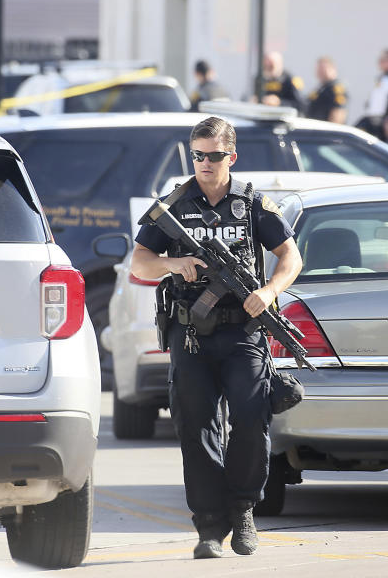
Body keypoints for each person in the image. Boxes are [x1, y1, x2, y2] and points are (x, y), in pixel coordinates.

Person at [131, 116, 302, 559]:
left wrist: (268, 292)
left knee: (251, 418)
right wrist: (174, 264)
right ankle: (209, 527)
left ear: (232, 156)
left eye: (215, 155)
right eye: (199, 155)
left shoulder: (254, 205)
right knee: (196, 427)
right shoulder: (174, 204)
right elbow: (139, 262)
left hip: (243, 332)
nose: (206, 163)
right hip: (191, 334)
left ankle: (243, 509)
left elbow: (290, 257)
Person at [305, 56, 348, 124]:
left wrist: (332, 132)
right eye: (318, 69)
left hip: (325, 132)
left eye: (323, 69)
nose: (320, 72)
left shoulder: (336, 89)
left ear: (333, 69)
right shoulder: (320, 89)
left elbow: (338, 113)